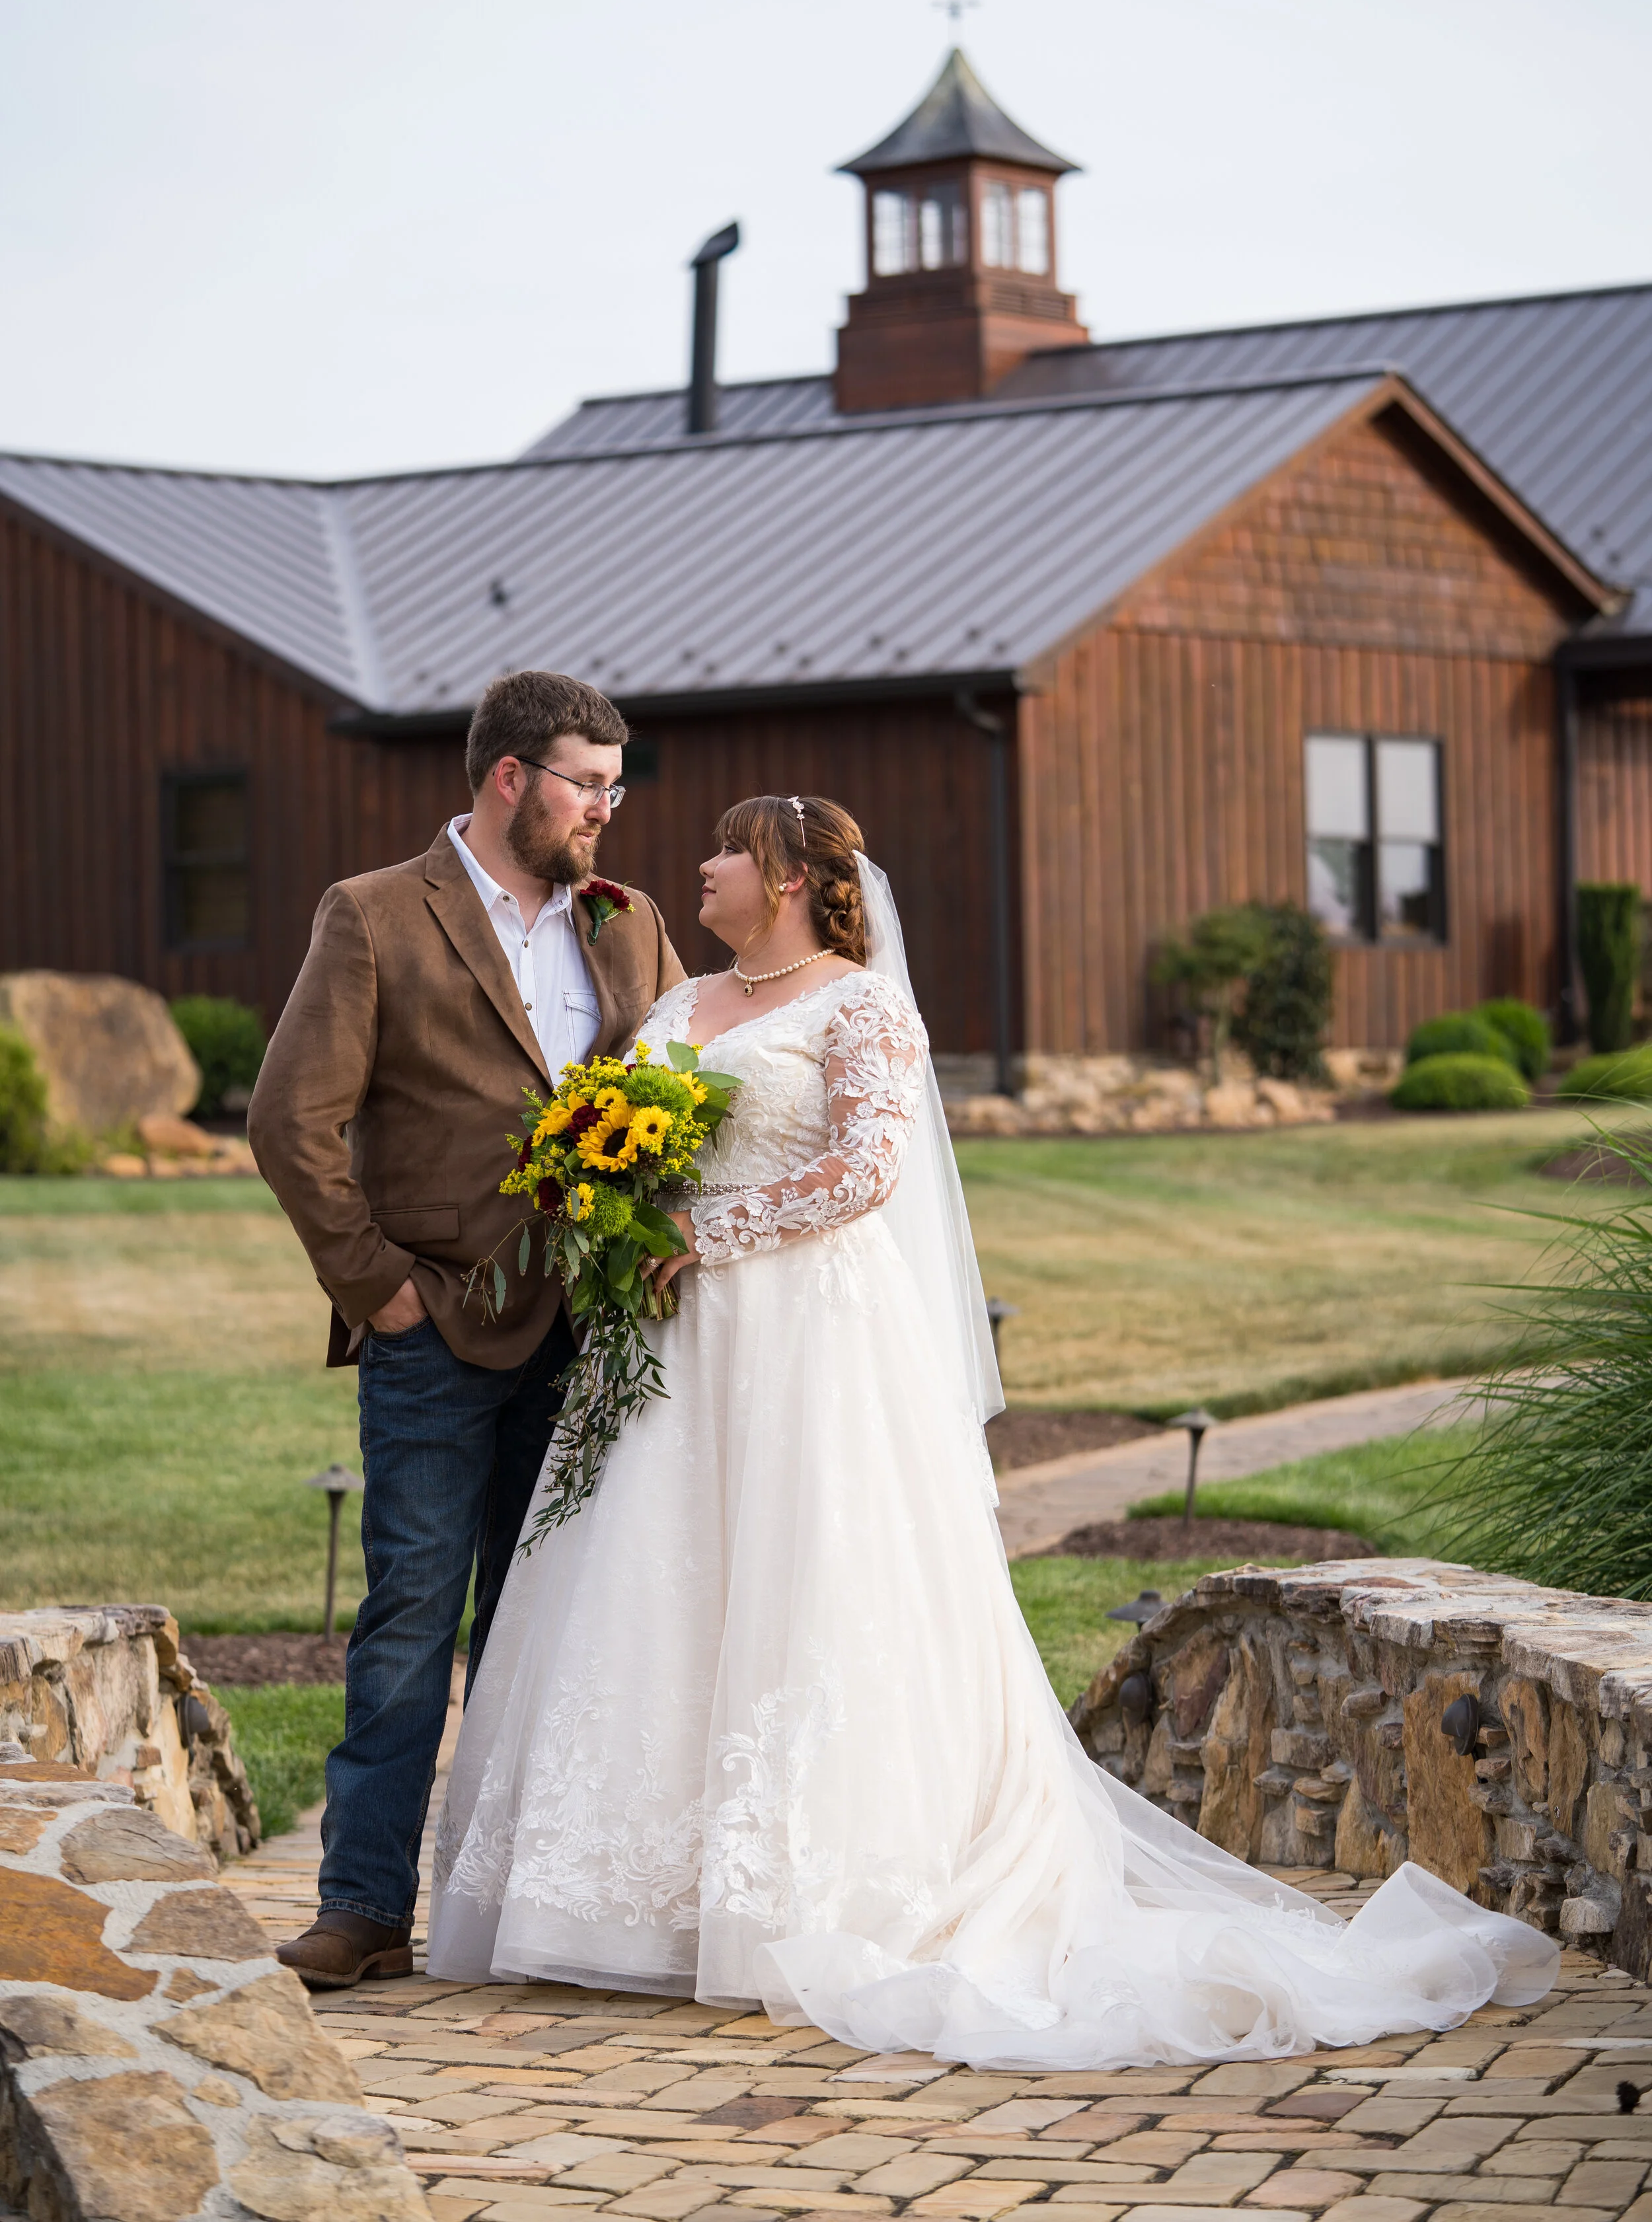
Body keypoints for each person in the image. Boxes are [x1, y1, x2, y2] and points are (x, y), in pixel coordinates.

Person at [426, 793, 1556, 2065]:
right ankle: (635, 1899)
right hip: (675, 1344)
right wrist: (619, 1209)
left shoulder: (861, 1004)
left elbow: (865, 1171)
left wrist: (710, 1232)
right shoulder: (680, 1009)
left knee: (812, 1586)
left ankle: (804, 1895)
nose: (703, 864)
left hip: (807, 1337)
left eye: (728, 849)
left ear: (790, 877)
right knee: (654, 1589)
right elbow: (634, 1145)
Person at [248, 670, 683, 1989]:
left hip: (586, 1341)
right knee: (408, 1620)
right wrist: (377, 1287)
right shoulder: (376, 916)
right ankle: (364, 1907)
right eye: (585, 784)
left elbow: (684, 1088)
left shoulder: (626, 922)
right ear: (510, 779)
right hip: (433, 1332)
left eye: (614, 786)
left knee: (549, 1626)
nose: (606, 809)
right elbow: (289, 1119)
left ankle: (506, 1911)